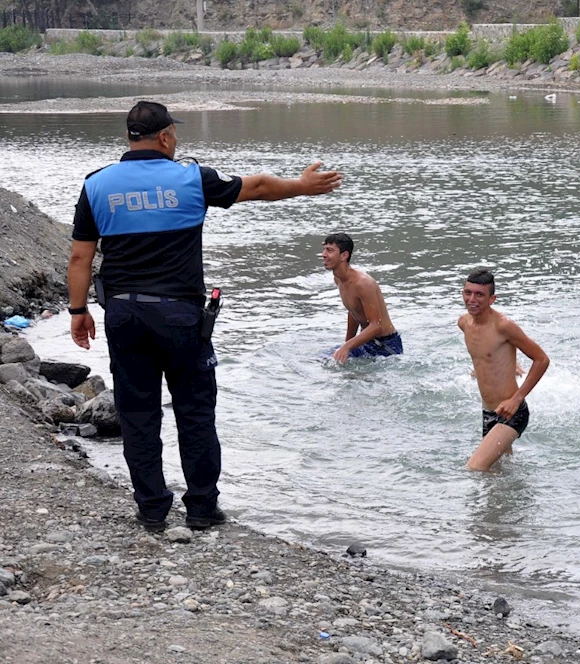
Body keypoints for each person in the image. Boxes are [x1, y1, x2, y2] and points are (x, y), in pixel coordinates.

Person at [67, 101, 343, 533]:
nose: (176, 140)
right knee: (194, 412)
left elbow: (80, 257)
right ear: (164, 137)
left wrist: (78, 310)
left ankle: (153, 509)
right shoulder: (192, 179)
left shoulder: (98, 185)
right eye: (174, 134)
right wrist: (303, 186)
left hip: (123, 314)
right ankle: (200, 507)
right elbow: (257, 187)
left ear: (129, 137)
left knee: (138, 415)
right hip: (180, 316)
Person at [459, 269, 549, 472]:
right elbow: (487, 352)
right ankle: (513, 504)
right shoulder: (464, 323)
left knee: (475, 468)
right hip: (489, 412)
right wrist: (506, 364)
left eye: (479, 294)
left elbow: (541, 359)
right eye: (468, 292)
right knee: (499, 475)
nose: (472, 299)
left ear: (492, 299)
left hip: (512, 413)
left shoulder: (504, 326)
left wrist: (516, 399)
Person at [322, 232, 402, 363]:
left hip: (386, 348)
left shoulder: (363, 283)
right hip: (367, 342)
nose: (324, 254)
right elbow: (354, 310)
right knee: (323, 359)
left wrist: (347, 347)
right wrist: (347, 344)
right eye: (324, 249)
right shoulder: (339, 279)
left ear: (344, 255)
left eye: (329, 250)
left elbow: (377, 326)